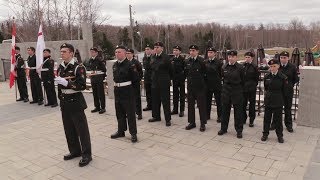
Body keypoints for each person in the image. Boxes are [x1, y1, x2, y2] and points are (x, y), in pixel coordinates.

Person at [55, 43, 92, 167]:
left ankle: (87, 154)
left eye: (64, 51)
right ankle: (75, 151)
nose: (62, 54)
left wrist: (67, 83)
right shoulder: (60, 67)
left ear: (71, 53)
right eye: (61, 51)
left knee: (82, 130)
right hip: (65, 102)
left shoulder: (78, 67)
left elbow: (82, 86)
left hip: (75, 101)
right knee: (69, 129)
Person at [111, 45, 138, 143]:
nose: (117, 54)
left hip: (127, 92)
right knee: (119, 113)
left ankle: (133, 133)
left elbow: (135, 80)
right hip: (117, 91)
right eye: (116, 52)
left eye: (119, 52)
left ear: (125, 53)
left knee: (130, 114)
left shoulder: (130, 65)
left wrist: (133, 94)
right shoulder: (115, 65)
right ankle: (121, 131)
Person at [218, 50, 245, 138]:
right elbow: (222, 78)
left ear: (236, 57)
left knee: (238, 112)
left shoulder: (240, 67)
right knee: (225, 111)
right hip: (226, 92)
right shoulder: (224, 67)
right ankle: (223, 128)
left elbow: (243, 81)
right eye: (229, 57)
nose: (231, 58)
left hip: (236, 91)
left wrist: (240, 91)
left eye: (233, 57)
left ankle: (239, 130)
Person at [272, 51, 299, 133]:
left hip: (288, 92)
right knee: (276, 108)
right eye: (281, 57)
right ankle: (274, 124)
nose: (283, 59)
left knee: (287, 108)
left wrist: (289, 85)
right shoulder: (277, 66)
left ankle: (288, 124)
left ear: (288, 58)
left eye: (284, 58)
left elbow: (296, 79)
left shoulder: (292, 67)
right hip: (278, 92)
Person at [261, 59, 286, 143]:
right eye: (271, 66)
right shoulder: (267, 76)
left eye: (274, 66)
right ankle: (265, 134)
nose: (272, 68)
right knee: (267, 118)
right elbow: (266, 88)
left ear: (278, 66)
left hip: (278, 100)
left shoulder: (282, 77)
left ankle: (280, 136)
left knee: (278, 120)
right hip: (269, 100)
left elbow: (284, 91)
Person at [148, 42, 173, 127]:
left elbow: (171, 69)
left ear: (162, 48)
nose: (156, 48)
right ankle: (156, 116)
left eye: (157, 47)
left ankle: (168, 119)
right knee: (155, 100)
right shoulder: (153, 56)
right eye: (155, 47)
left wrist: (169, 79)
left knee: (165, 101)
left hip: (164, 82)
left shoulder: (166, 57)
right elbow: (151, 67)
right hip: (154, 81)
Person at [185, 45, 207, 132]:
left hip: (200, 88)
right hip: (190, 87)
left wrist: (203, 85)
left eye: (193, 50)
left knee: (201, 106)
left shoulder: (202, 61)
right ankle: (192, 122)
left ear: (197, 51)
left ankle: (202, 123)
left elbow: (205, 74)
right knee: (190, 106)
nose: (191, 52)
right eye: (190, 50)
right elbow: (187, 73)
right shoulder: (187, 61)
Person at [204, 47, 223, 122]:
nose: (209, 54)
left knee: (219, 101)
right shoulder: (205, 62)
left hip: (216, 84)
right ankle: (207, 115)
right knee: (207, 101)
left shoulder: (218, 62)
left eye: (211, 52)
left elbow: (220, 73)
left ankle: (220, 116)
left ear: (215, 53)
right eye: (208, 52)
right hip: (208, 84)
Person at [242, 51, 259, 127]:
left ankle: (251, 120)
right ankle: (243, 118)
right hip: (244, 88)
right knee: (243, 104)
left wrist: (253, 85)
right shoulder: (243, 66)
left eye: (248, 57)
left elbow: (257, 79)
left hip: (251, 89)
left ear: (252, 58)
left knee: (252, 105)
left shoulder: (255, 66)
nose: (247, 59)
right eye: (246, 57)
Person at [88, 47, 107, 114]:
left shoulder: (99, 60)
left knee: (100, 94)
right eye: (91, 52)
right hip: (93, 79)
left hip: (99, 79)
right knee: (95, 93)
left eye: (93, 52)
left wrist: (102, 78)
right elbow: (90, 69)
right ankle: (97, 107)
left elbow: (104, 70)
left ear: (96, 52)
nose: (91, 53)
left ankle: (103, 107)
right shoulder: (90, 60)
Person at [127, 48, 143, 120]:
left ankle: (139, 113)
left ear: (132, 54)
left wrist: (138, 79)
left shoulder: (136, 62)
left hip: (135, 83)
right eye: (126, 53)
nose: (128, 54)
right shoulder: (125, 62)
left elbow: (140, 72)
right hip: (128, 83)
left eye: (129, 53)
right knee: (129, 99)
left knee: (137, 98)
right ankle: (130, 112)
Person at [171, 45, 186, 117]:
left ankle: (182, 110)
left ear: (180, 51)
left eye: (176, 50)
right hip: (174, 79)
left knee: (182, 95)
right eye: (174, 50)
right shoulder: (172, 59)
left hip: (181, 79)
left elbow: (185, 70)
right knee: (175, 95)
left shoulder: (183, 60)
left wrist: (183, 77)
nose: (175, 51)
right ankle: (175, 109)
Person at [142, 44, 153, 111]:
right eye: (145, 49)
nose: (146, 50)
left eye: (148, 49)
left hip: (152, 77)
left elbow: (151, 67)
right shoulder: (144, 58)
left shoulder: (153, 57)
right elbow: (145, 67)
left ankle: (154, 106)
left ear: (151, 50)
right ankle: (149, 105)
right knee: (148, 92)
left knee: (153, 93)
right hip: (146, 77)